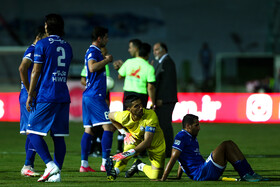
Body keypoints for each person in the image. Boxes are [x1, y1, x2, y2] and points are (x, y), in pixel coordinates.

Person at [26, 14, 73, 182]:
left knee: (32, 132)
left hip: (47, 94)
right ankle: (57, 175)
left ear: (46, 26)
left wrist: (31, 94)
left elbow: (36, 71)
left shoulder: (42, 44)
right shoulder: (67, 46)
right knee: (58, 136)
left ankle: (50, 165)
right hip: (62, 94)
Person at [161, 114, 264, 182]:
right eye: (196, 125)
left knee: (230, 144)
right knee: (226, 145)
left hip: (204, 171)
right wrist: (163, 179)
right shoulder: (181, 136)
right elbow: (174, 157)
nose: (199, 128)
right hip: (201, 173)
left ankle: (250, 173)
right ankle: (245, 174)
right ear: (188, 126)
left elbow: (182, 158)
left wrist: (178, 176)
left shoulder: (191, 137)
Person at [106, 95, 166, 181]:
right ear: (129, 109)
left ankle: (139, 165)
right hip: (135, 139)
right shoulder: (124, 117)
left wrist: (127, 154)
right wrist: (124, 133)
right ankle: (115, 172)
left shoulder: (150, 116)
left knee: (156, 176)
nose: (141, 108)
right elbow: (110, 116)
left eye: (141, 105)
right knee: (128, 147)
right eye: (136, 106)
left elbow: (147, 142)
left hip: (155, 143)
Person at [80, 26, 115, 173]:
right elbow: (92, 67)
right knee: (109, 126)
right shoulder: (94, 51)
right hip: (95, 96)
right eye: (106, 37)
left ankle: (84, 164)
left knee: (89, 130)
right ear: (100, 38)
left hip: (89, 96)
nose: (107, 40)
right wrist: (106, 60)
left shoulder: (93, 51)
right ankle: (105, 162)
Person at [18, 25, 45, 177]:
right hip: (28, 95)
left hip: (31, 95)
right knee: (35, 131)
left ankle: (28, 165)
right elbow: (22, 68)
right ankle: (27, 165)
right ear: (38, 37)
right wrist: (29, 91)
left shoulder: (37, 50)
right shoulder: (33, 49)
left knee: (33, 132)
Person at [153, 42, 177, 157]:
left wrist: (161, 98)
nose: (154, 52)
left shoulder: (167, 62)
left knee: (165, 125)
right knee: (163, 124)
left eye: (157, 49)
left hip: (165, 100)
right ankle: (166, 150)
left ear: (164, 50)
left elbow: (167, 83)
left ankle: (168, 151)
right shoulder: (162, 62)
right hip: (165, 99)